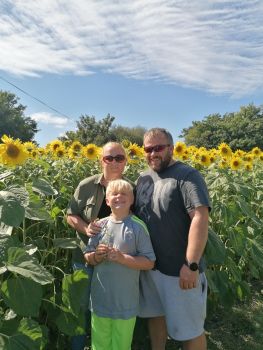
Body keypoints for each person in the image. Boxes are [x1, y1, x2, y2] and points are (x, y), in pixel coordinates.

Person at [134, 128, 211, 350]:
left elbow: (200, 217)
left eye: (158, 148)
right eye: (148, 149)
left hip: (179, 271)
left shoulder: (187, 175)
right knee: (155, 316)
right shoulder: (143, 178)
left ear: (171, 148)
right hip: (150, 267)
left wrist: (191, 264)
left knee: (191, 329)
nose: (152, 153)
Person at [66, 142, 130, 350]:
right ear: (101, 160)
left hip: (116, 262)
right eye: (109, 158)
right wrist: (85, 229)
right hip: (84, 256)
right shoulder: (86, 186)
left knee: (109, 308)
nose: (114, 162)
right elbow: (71, 214)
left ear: (125, 161)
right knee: (80, 306)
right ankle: (77, 346)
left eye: (119, 158)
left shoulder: (130, 189)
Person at [83, 179, 156, 350]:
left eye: (124, 194)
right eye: (114, 194)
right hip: (101, 300)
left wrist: (122, 258)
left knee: (121, 345)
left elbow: (149, 262)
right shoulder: (99, 226)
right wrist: (97, 256)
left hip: (125, 303)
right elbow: (88, 256)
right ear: (107, 201)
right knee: (99, 344)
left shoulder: (138, 227)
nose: (119, 197)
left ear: (132, 200)